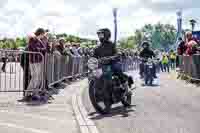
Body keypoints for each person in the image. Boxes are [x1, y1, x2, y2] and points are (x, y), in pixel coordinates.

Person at [26, 28, 47, 101]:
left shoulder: (39, 40)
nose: (43, 36)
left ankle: (34, 93)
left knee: (38, 78)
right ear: (40, 33)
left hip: (38, 60)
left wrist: (41, 49)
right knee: (35, 77)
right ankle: (28, 93)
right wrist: (41, 50)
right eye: (43, 34)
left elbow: (44, 49)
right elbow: (34, 49)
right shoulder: (32, 39)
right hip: (34, 61)